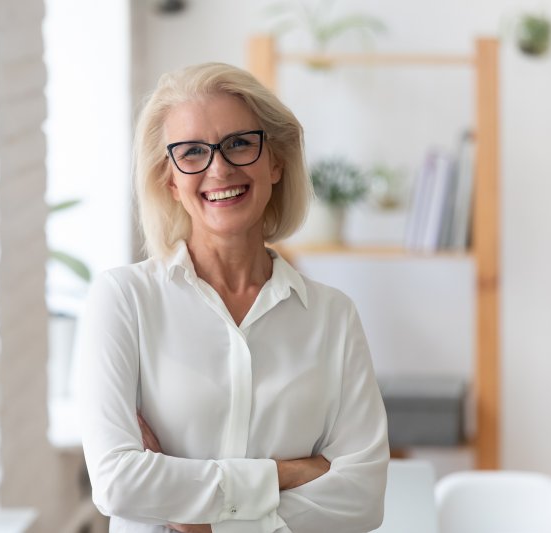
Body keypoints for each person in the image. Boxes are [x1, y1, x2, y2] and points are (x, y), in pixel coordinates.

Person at [78, 62, 389, 533]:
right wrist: (286, 474)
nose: (219, 168)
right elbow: (116, 483)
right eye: (192, 152)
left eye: (240, 143)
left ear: (275, 162)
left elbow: (362, 499)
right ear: (170, 181)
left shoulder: (332, 316)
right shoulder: (123, 300)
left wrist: (200, 522)